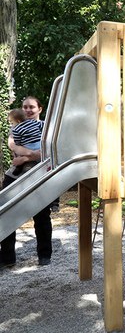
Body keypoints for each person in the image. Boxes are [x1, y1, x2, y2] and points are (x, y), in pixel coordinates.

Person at [0, 96, 53, 269]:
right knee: (6, 210)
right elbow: (12, 145)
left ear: (40, 109)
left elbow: (47, 151)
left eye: (31, 107)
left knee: (42, 213)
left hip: (38, 171)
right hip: (16, 174)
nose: (28, 110)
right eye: (25, 107)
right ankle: (7, 257)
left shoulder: (45, 127)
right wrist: (28, 154)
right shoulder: (16, 126)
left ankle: (44, 255)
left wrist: (24, 158)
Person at [7, 108, 43, 176]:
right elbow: (42, 125)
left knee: (19, 152)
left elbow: (17, 142)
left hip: (29, 147)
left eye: (12, 123)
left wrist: (19, 144)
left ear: (17, 121)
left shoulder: (16, 129)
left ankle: (19, 166)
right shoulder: (33, 122)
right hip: (40, 144)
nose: (12, 125)